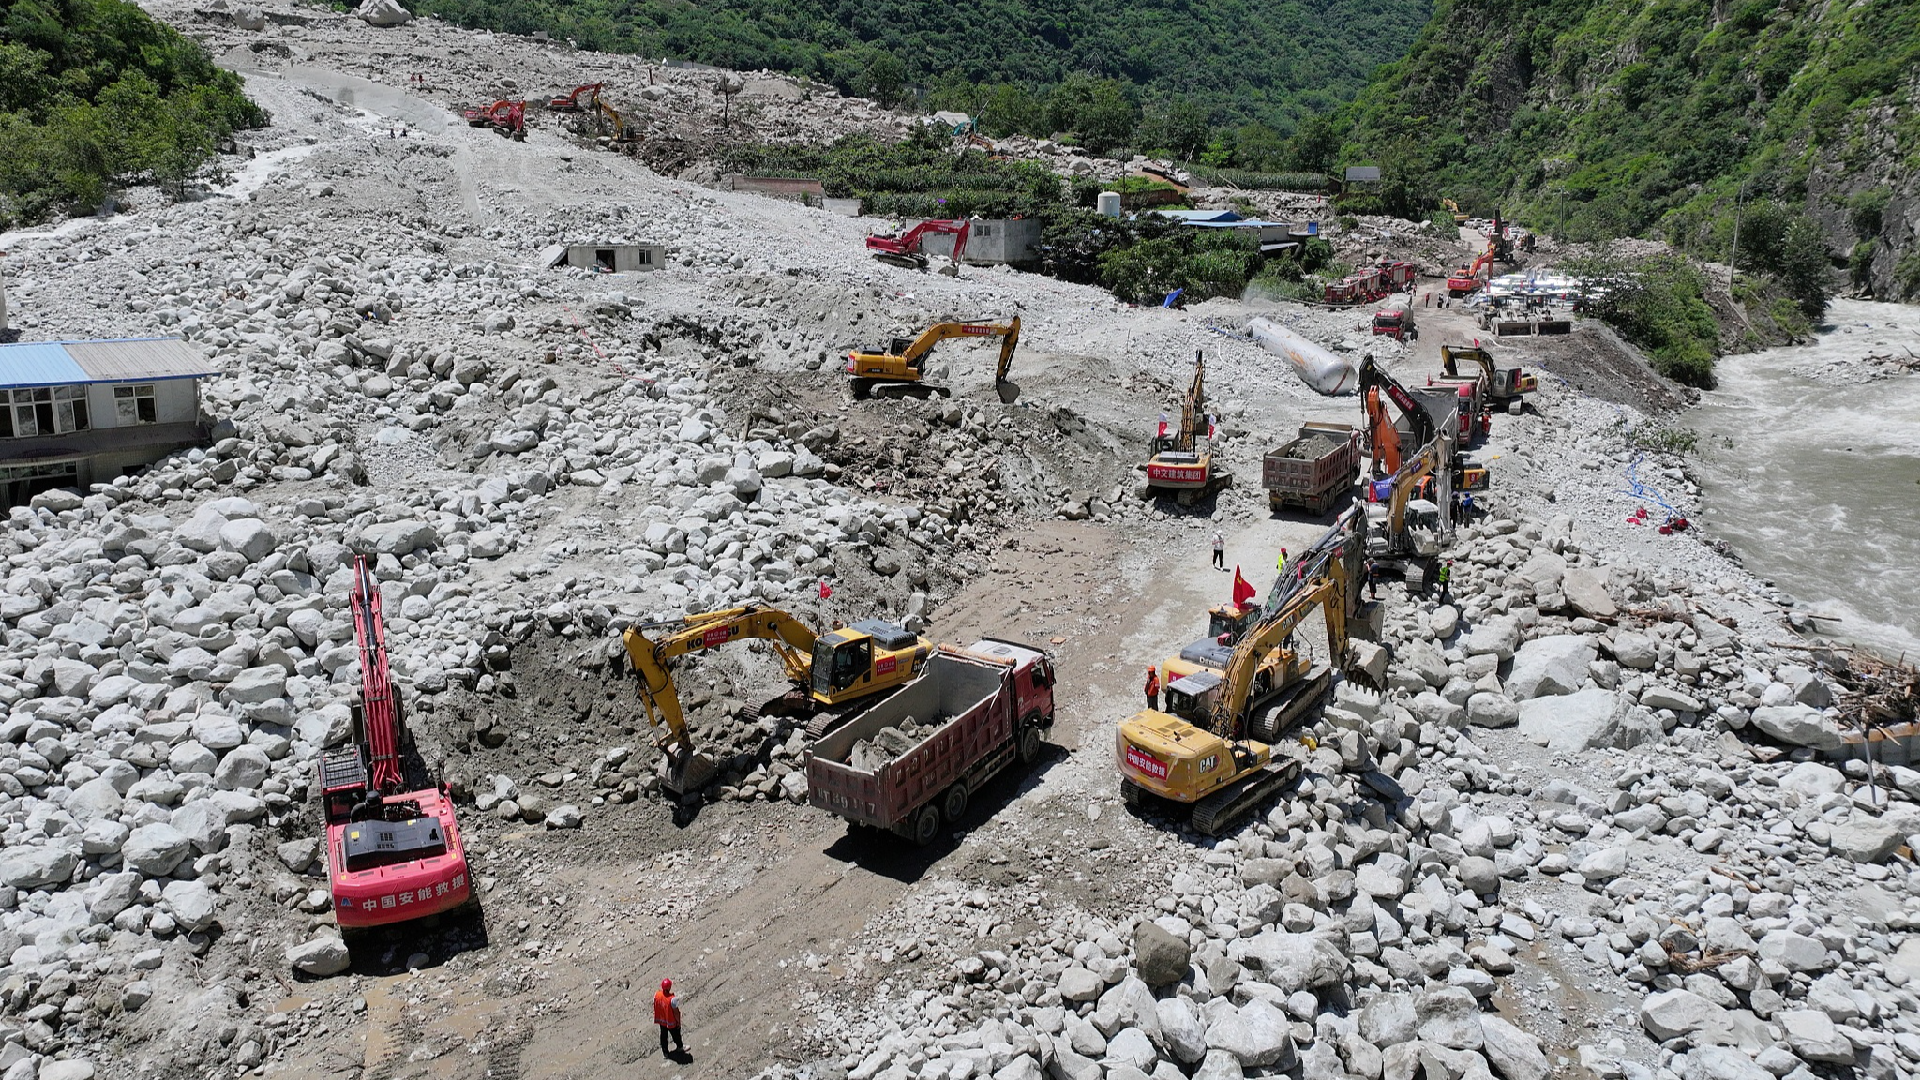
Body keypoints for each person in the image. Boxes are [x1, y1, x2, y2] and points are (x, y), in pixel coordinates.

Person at [654, 979, 685, 1058]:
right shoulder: (672, 999)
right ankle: (680, 1047)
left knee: (663, 1036)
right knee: (676, 1035)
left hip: (662, 1021)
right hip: (671, 1021)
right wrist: (678, 1022)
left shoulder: (657, 995)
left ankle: (665, 1053)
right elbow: (676, 1012)